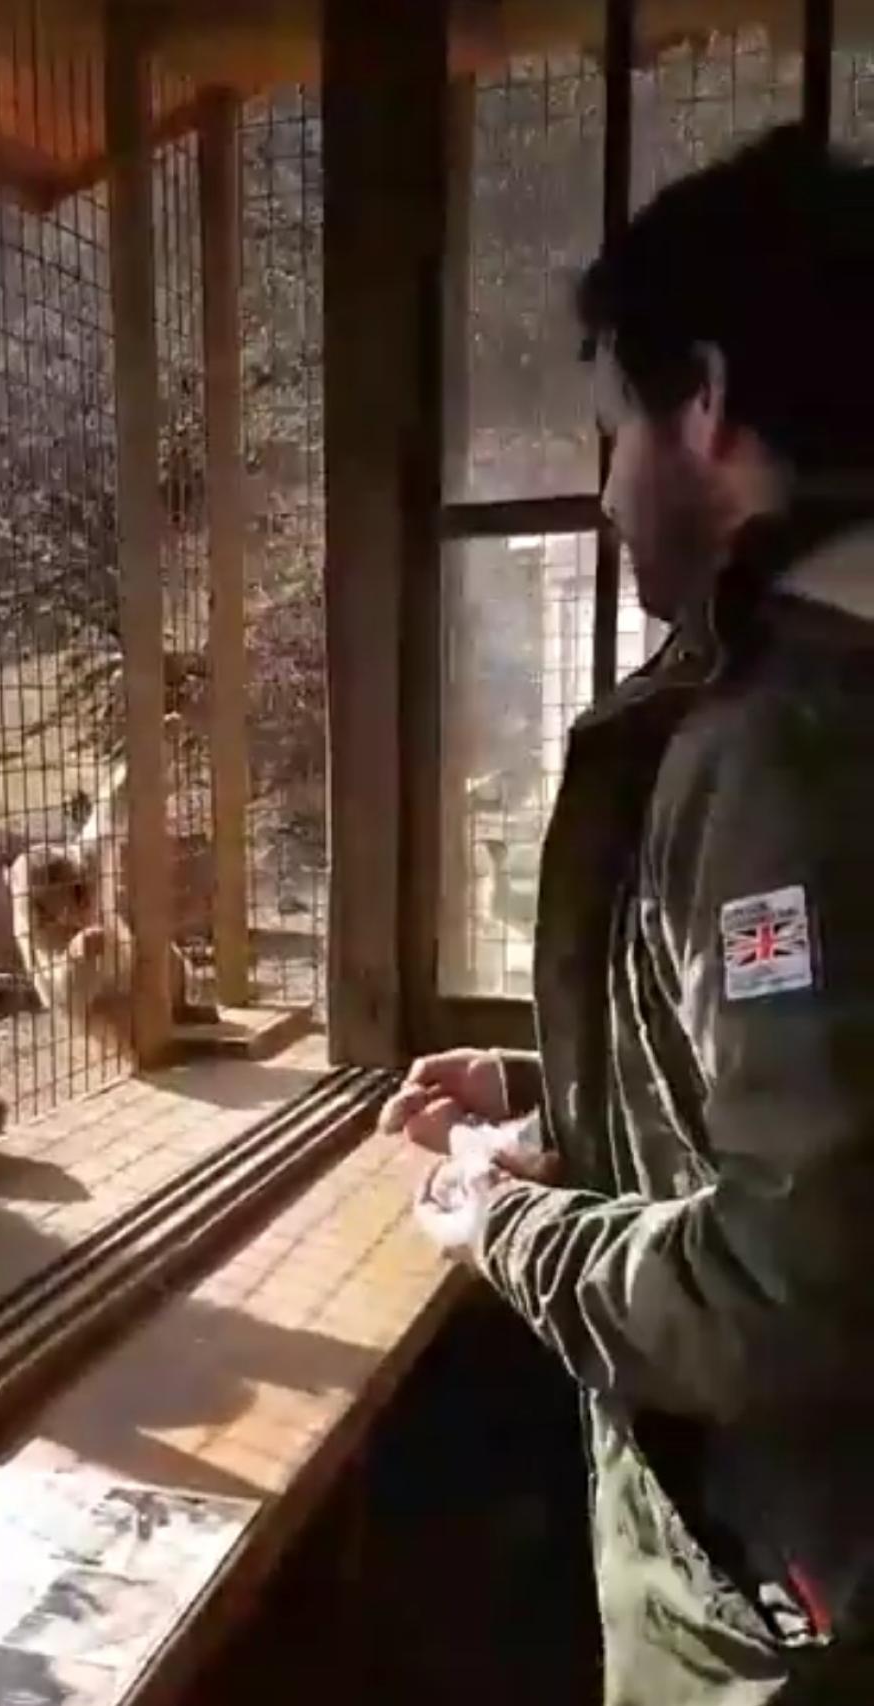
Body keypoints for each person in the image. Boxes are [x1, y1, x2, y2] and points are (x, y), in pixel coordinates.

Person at [382, 125, 874, 1703]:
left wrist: (496, 1216)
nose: (604, 497)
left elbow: (785, 1285)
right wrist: (557, 1094)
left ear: (710, 403)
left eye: (612, 436)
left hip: (798, 1602)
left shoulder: (793, 746)